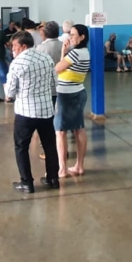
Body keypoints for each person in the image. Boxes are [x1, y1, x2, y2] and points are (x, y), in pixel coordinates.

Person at [5, 31, 60, 194]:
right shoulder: (46, 58)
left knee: (21, 147)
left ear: (23, 46)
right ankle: (53, 179)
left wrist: (11, 93)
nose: (12, 49)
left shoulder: (17, 63)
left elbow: (10, 93)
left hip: (25, 112)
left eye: (14, 46)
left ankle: (27, 183)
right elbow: (54, 83)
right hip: (46, 110)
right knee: (50, 146)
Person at [54, 24, 90, 178]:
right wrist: (64, 51)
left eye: (74, 34)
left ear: (82, 37)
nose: (70, 37)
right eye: (70, 34)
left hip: (66, 95)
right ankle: (79, 166)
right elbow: (63, 68)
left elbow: (57, 68)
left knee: (60, 131)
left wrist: (64, 53)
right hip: (78, 92)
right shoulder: (84, 52)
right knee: (78, 128)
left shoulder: (75, 53)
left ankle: (62, 169)